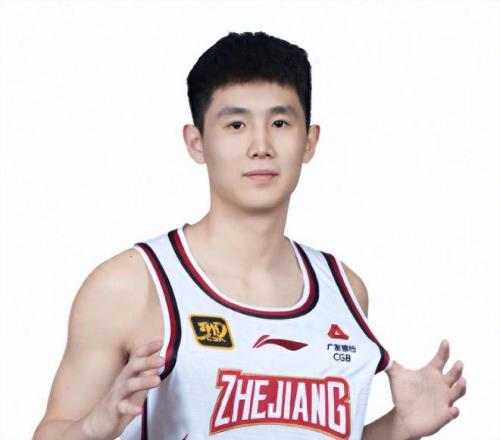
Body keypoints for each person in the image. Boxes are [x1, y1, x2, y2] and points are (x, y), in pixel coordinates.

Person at [33, 31, 466, 440]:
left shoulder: (345, 289)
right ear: (196, 142)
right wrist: (93, 427)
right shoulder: (131, 285)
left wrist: (395, 428)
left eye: (280, 123)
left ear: (309, 141)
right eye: (236, 125)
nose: (261, 145)